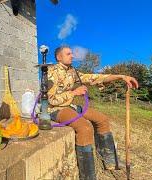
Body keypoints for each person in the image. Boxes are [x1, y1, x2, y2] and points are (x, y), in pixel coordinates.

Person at [48, 45, 139, 179]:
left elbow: (93, 78)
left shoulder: (73, 71)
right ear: (58, 57)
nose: (72, 56)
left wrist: (121, 76)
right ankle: (88, 176)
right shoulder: (51, 71)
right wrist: (74, 92)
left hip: (70, 106)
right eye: (68, 54)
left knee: (102, 119)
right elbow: (51, 99)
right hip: (55, 109)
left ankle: (109, 162)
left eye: (71, 53)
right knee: (85, 128)